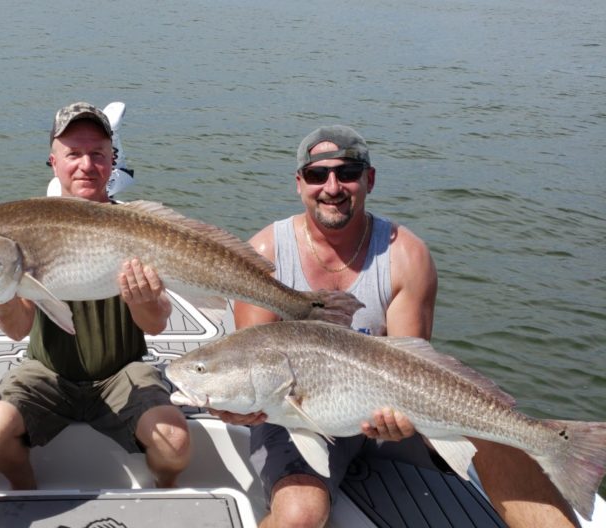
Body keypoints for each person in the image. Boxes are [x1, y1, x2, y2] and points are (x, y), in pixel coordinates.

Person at [213, 125, 577, 527]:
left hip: (389, 416)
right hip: (296, 417)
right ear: (300, 184)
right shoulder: (265, 254)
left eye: (347, 173)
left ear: (369, 179)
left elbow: (412, 363)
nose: (332, 187)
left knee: (500, 436)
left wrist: (401, 420)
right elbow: (246, 358)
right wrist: (240, 409)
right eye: (317, 176)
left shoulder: (405, 255)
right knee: (300, 515)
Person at [0, 102, 191, 490]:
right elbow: (18, 330)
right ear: (53, 162)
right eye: (73, 154)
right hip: (47, 371)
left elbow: (155, 325)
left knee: (174, 444)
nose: (86, 165)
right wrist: (1, 298)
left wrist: (144, 301)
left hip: (125, 371)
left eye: (97, 154)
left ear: (112, 160)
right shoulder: (26, 227)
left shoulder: (142, 227)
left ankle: (163, 495)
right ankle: (27, 490)